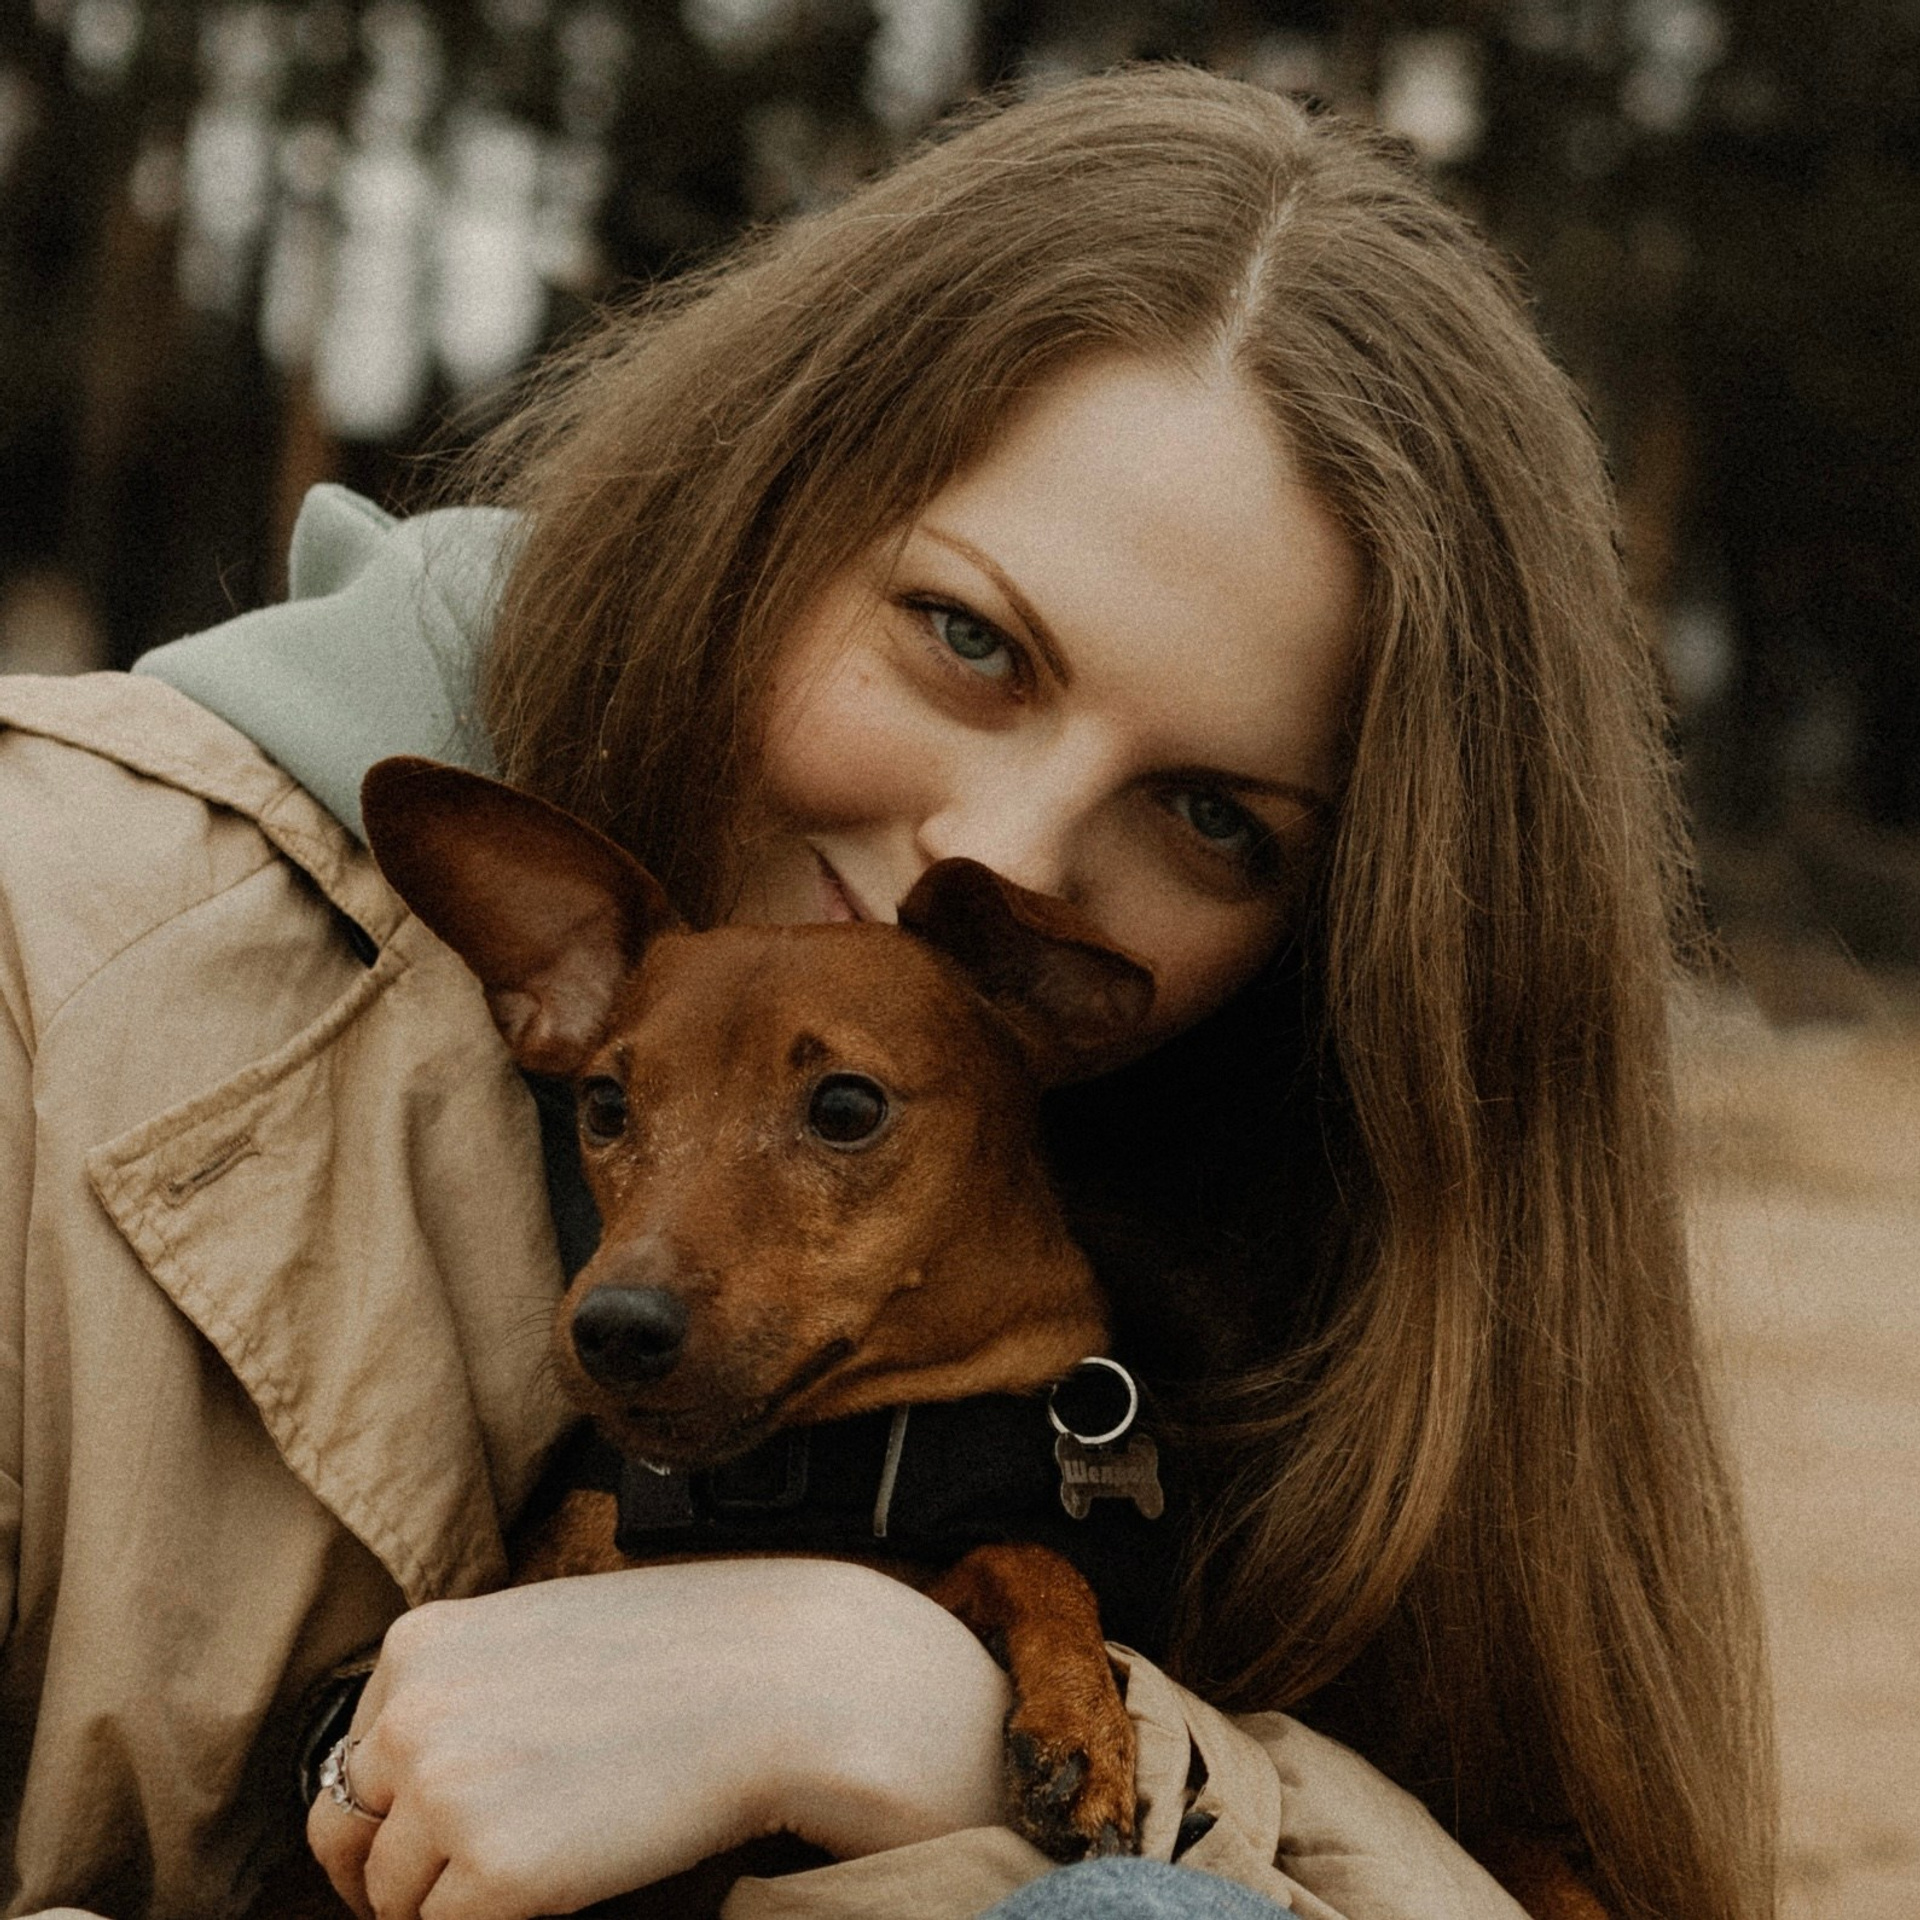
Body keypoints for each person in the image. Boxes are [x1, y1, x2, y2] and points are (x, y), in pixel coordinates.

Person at [0, 64, 1774, 1920]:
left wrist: (901, 1713)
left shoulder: (1276, 1268)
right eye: (969, 639)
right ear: (760, 497)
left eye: (1214, 820)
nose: (1001, 851)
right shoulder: (60, 957)